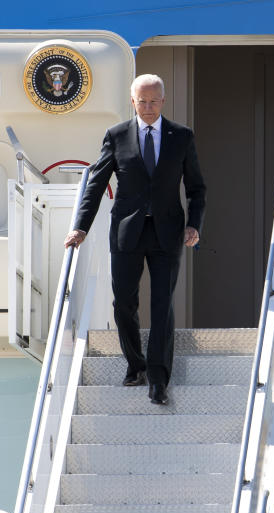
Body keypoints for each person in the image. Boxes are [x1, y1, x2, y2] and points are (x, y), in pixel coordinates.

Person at [64, 74, 205, 405]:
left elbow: (197, 188)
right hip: (127, 232)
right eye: (142, 101)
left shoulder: (181, 137)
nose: (148, 107)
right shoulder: (116, 136)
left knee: (162, 305)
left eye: (154, 100)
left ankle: (158, 379)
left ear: (164, 100)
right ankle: (135, 364)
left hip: (168, 234)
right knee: (124, 304)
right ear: (132, 102)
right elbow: (95, 184)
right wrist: (81, 227)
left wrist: (194, 224)